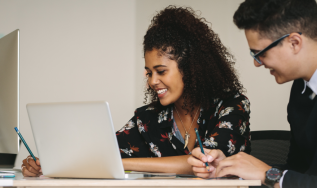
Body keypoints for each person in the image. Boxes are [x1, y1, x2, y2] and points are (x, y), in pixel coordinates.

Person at [21, 6, 251, 177]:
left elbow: (205, 162)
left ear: (191, 67)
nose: (153, 81)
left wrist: (120, 164)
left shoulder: (232, 106)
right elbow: (100, 153)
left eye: (161, 71)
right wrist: (48, 162)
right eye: (149, 72)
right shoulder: (148, 118)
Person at [188, 0, 317, 188]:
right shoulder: (302, 85)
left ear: (294, 42)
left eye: (259, 53)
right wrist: (232, 170)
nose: (257, 63)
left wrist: (268, 174)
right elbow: (298, 172)